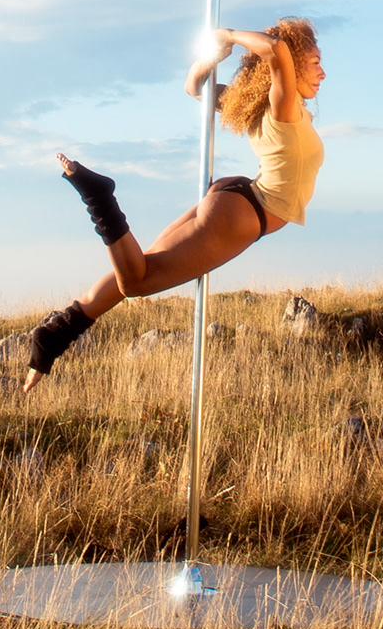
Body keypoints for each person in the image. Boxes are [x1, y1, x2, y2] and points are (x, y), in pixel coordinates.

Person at [24, 19, 326, 387]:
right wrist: (227, 37)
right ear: (293, 65)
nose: (322, 73)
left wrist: (213, 58)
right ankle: (98, 198)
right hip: (246, 215)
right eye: (314, 62)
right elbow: (276, 50)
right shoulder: (283, 107)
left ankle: (53, 336)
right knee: (136, 282)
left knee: (139, 269)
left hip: (238, 195)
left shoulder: (260, 105)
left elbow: (194, 87)